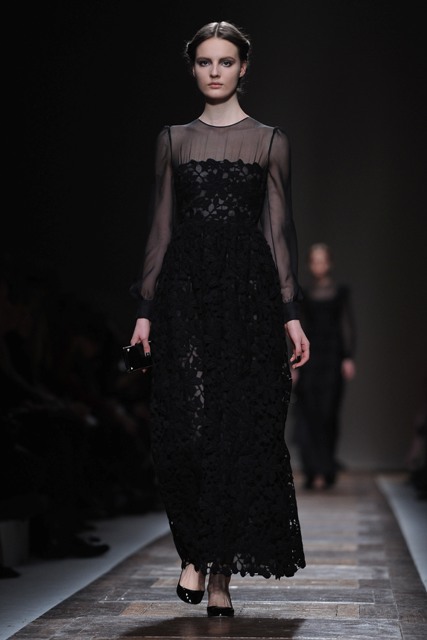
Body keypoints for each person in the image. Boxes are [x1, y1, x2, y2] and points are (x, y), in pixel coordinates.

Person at [129, 20, 309, 618]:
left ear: (243, 67)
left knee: (239, 431)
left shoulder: (270, 141)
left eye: (225, 61)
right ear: (193, 68)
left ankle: (220, 575)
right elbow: (160, 228)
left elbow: (279, 232)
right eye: (205, 61)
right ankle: (193, 549)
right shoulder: (173, 139)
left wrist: (290, 314)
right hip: (184, 292)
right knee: (184, 427)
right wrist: (145, 311)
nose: (215, 71)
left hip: (250, 295)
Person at [292, 242, 356, 490]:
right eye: (314, 261)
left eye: (322, 260)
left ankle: (326, 467)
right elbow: (299, 328)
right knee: (308, 413)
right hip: (310, 359)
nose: (319, 265)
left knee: (328, 414)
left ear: (329, 263)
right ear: (310, 264)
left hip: (332, 359)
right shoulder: (304, 293)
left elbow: (347, 325)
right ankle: (313, 470)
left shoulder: (340, 292)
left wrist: (348, 357)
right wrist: (295, 365)